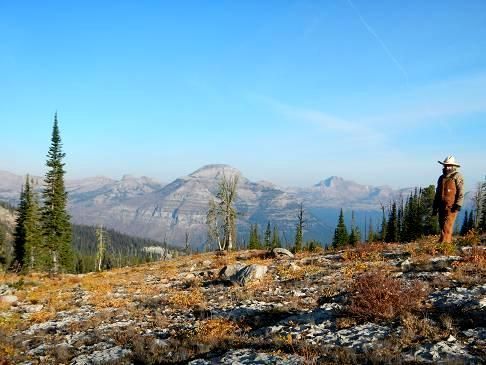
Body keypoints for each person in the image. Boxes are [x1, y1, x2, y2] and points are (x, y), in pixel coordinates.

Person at [432, 156, 464, 243]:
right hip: (441, 206)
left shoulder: (457, 176)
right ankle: (445, 245)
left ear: (453, 166)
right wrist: (435, 207)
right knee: (442, 226)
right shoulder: (441, 178)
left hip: (452, 206)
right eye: (446, 165)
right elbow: (438, 193)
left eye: (449, 165)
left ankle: (444, 246)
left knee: (447, 227)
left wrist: (458, 204)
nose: (447, 167)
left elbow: (461, 191)